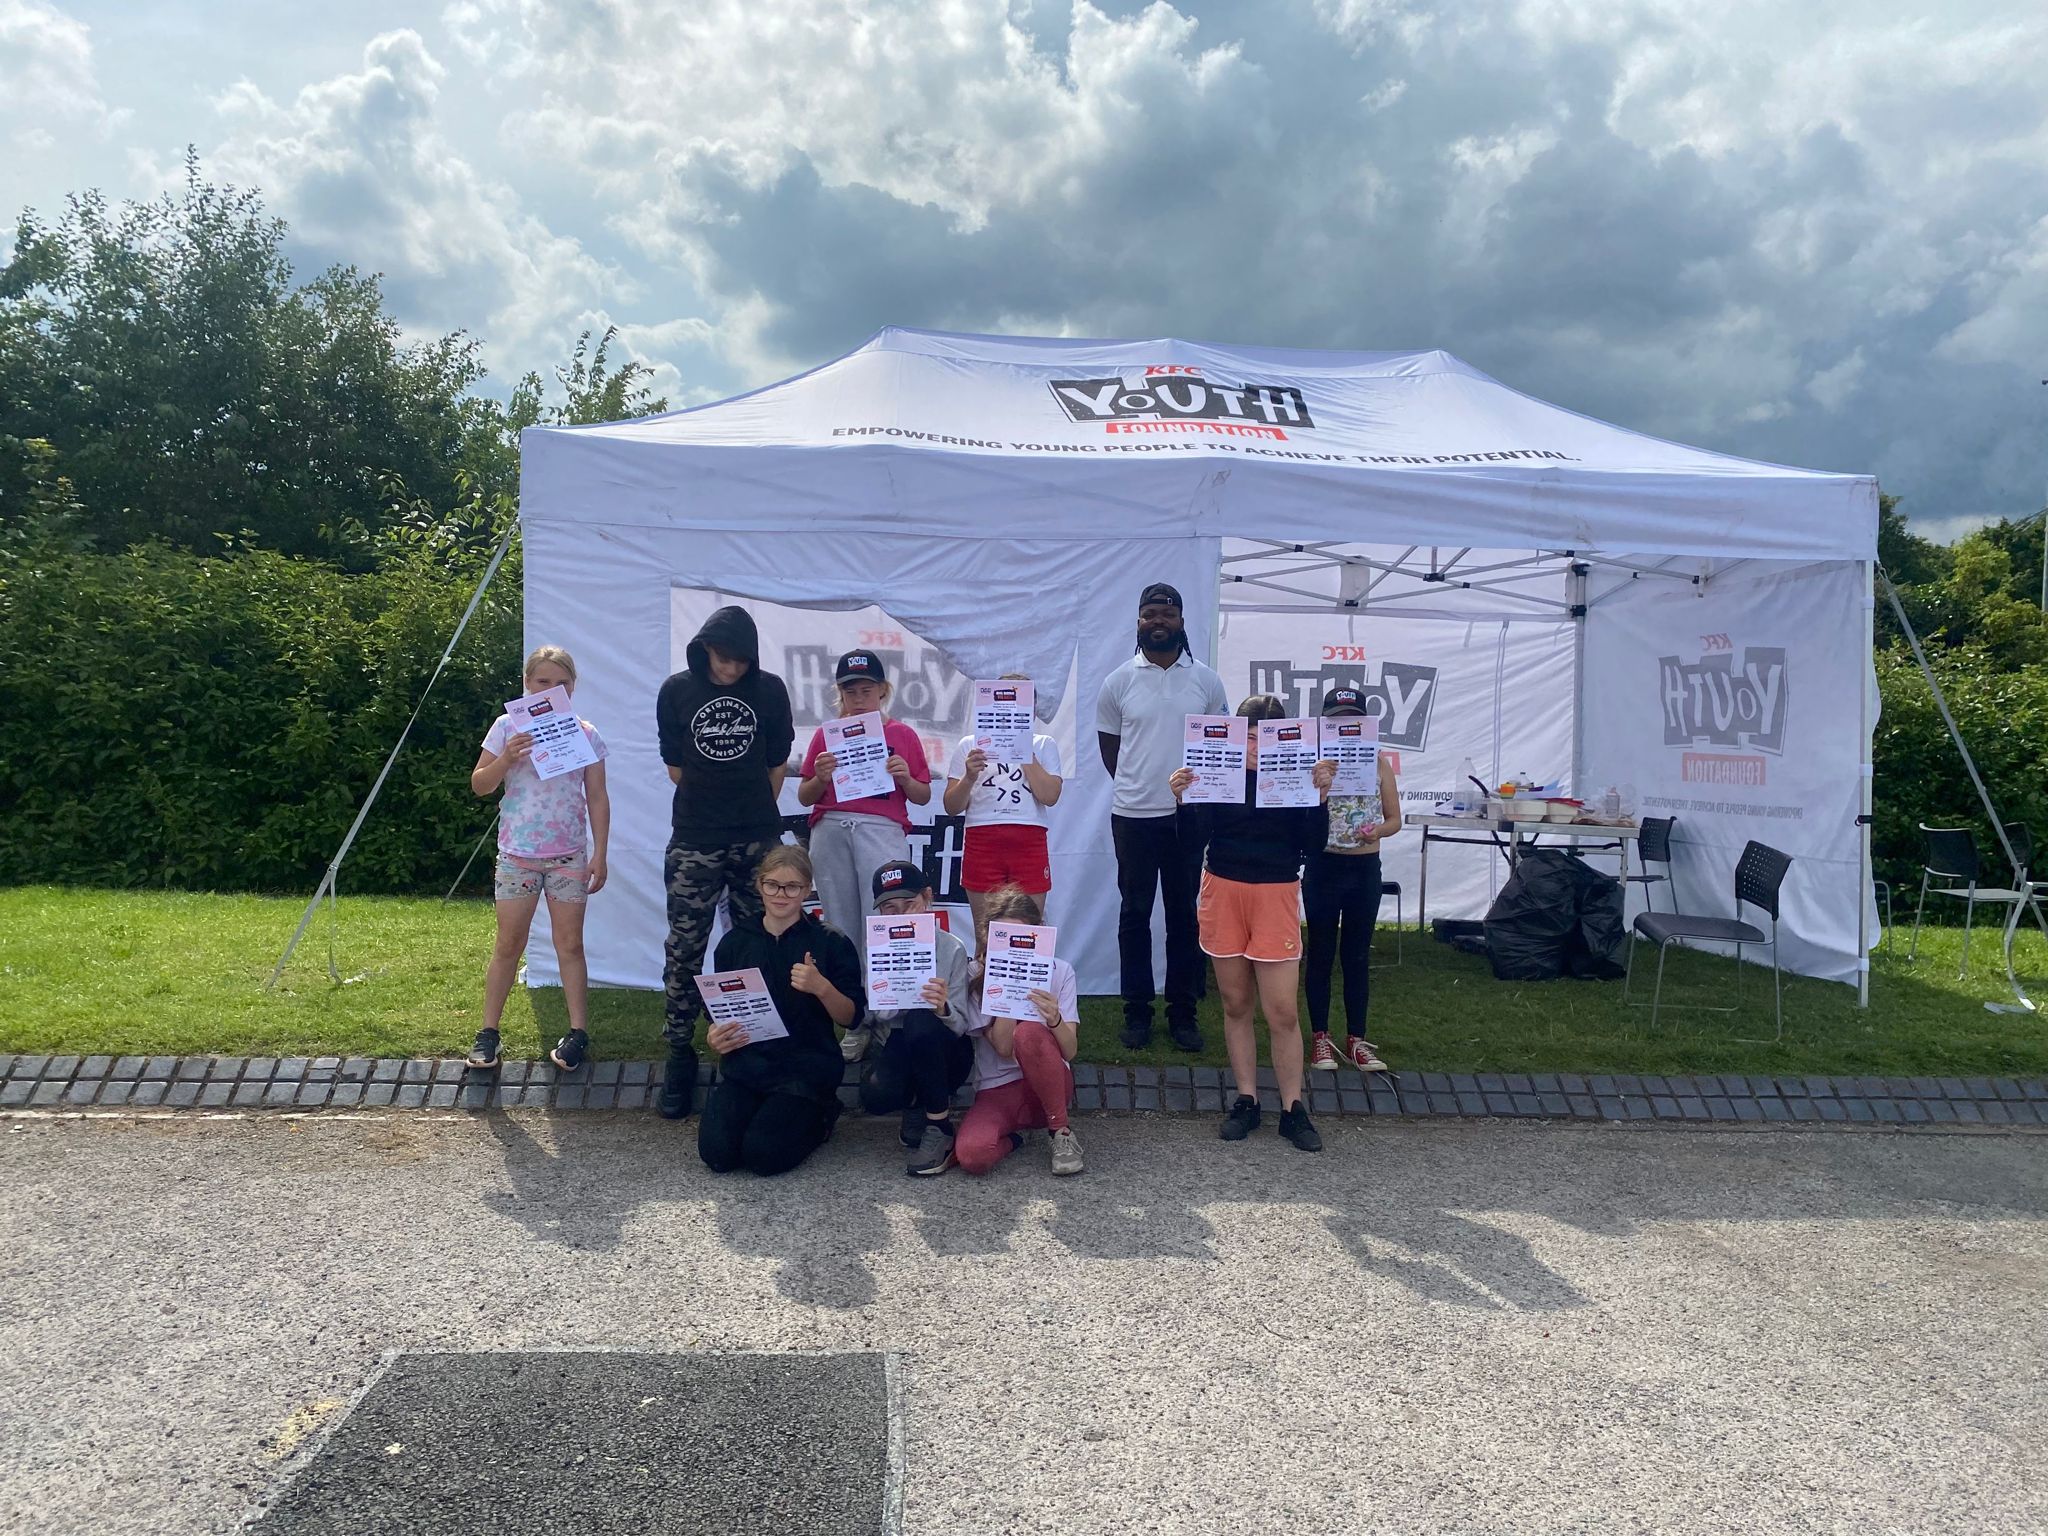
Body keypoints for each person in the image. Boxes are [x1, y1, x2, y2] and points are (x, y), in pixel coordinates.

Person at [1169, 694, 1335, 1152]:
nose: (1258, 741)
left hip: (1276, 890)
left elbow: (1313, 845)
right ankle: (1246, 1098)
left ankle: (1292, 1107)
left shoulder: (1298, 771)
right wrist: (1183, 799)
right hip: (1223, 886)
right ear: (1239, 732)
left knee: (1281, 1010)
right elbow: (1191, 842)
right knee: (1235, 1002)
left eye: (1267, 732)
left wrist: (1320, 797)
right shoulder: (1218, 767)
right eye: (1251, 731)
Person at [655, 606, 796, 1120]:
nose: (732, 669)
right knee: (685, 946)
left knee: (755, 943)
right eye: (723, 659)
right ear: (704, 650)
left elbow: (777, 758)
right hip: (694, 836)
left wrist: (760, 811)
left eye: (741, 661)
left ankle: (754, 1044)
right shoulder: (676, 691)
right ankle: (679, 1051)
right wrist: (713, 804)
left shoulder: (770, 690)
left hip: (756, 839)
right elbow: (674, 763)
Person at [1095, 581, 1227, 1052]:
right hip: (1131, 815)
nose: (1157, 622)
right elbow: (1111, 752)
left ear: (1181, 622)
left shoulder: (1207, 682)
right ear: (1138, 621)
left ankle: (1183, 1013)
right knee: (1133, 914)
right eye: (1149, 614)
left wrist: (1193, 799)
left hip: (1187, 818)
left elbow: (1219, 750)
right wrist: (1141, 783)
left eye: (1166, 614)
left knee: (1183, 917)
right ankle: (1136, 1012)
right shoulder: (1118, 681)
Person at [466, 645, 610, 1074]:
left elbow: (597, 796)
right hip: (517, 855)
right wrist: (508, 757)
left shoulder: (585, 733)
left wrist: (599, 852)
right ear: (528, 684)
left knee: (570, 945)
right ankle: (488, 1032)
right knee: (509, 944)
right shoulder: (506, 727)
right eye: (542, 682)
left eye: (560, 683)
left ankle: (577, 1033)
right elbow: (479, 785)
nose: (550, 689)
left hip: (568, 855)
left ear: (572, 688)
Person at [797, 648, 932, 1060]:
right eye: (850, 690)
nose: (858, 697)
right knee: (840, 926)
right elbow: (805, 796)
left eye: (866, 689)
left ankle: (889, 1018)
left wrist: (906, 777)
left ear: (883, 691)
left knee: (888, 924)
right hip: (833, 827)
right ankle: (855, 1022)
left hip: (881, 828)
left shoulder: (903, 735)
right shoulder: (826, 735)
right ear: (839, 693)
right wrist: (820, 778)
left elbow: (924, 796)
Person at [699, 845, 865, 1177]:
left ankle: (822, 1115)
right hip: (747, 1067)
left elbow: (852, 1016)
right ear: (759, 885)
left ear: (807, 890)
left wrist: (822, 987)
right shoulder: (735, 943)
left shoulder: (830, 941)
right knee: (717, 1155)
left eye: (792, 887)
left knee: (764, 1157)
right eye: (773, 884)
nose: (781, 894)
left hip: (803, 1070)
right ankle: (763, 1112)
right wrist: (715, 1036)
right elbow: (719, 1012)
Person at [855, 861, 978, 1177]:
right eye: (889, 908)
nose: (900, 915)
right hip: (898, 1039)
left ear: (927, 898)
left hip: (945, 1046)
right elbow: (877, 1014)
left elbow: (962, 1023)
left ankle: (940, 1126)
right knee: (874, 1095)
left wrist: (941, 1008)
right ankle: (915, 1105)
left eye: (909, 904)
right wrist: (895, 991)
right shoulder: (876, 946)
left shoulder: (951, 947)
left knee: (922, 1023)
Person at [1305, 686, 1403, 1076]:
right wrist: (1318, 786)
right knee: (1321, 952)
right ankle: (1319, 1037)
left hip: (1364, 867)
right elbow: (1299, 810)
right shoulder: (1315, 762)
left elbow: (1396, 818)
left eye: (1352, 718)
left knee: (1357, 954)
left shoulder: (1378, 762)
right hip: (1323, 866)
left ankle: (1357, 1039)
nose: (1345, 724)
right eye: (1336, 719)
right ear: (1325, 723)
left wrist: (1378, 831)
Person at [954, 886, 1084, 1177]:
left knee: (1030, 1034)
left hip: (1049, 1086)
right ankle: (1015, 1139)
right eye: (1005, 939)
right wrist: (1006, 987)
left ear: (1037, 935)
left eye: (1021, 938)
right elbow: (1004, 1048)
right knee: (972, 1156)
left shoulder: (1060, 971)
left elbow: (1071, 1050)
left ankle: (1060, 1132)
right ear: (989, 937)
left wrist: (1054, 1019)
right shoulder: (975, 974)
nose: (1014, 948)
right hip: (997, 1090)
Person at [943, 673, 1063, 928]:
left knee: (1030, 929)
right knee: (984, 934)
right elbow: (951, 807)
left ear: (1031, 711)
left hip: (1028, 840)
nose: (1009, 713)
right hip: (982, 839)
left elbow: (1050, 796)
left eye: (1020, 706)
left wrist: (1022, 749)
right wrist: (969, 777)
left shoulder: (1043, 744)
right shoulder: (969, 745)